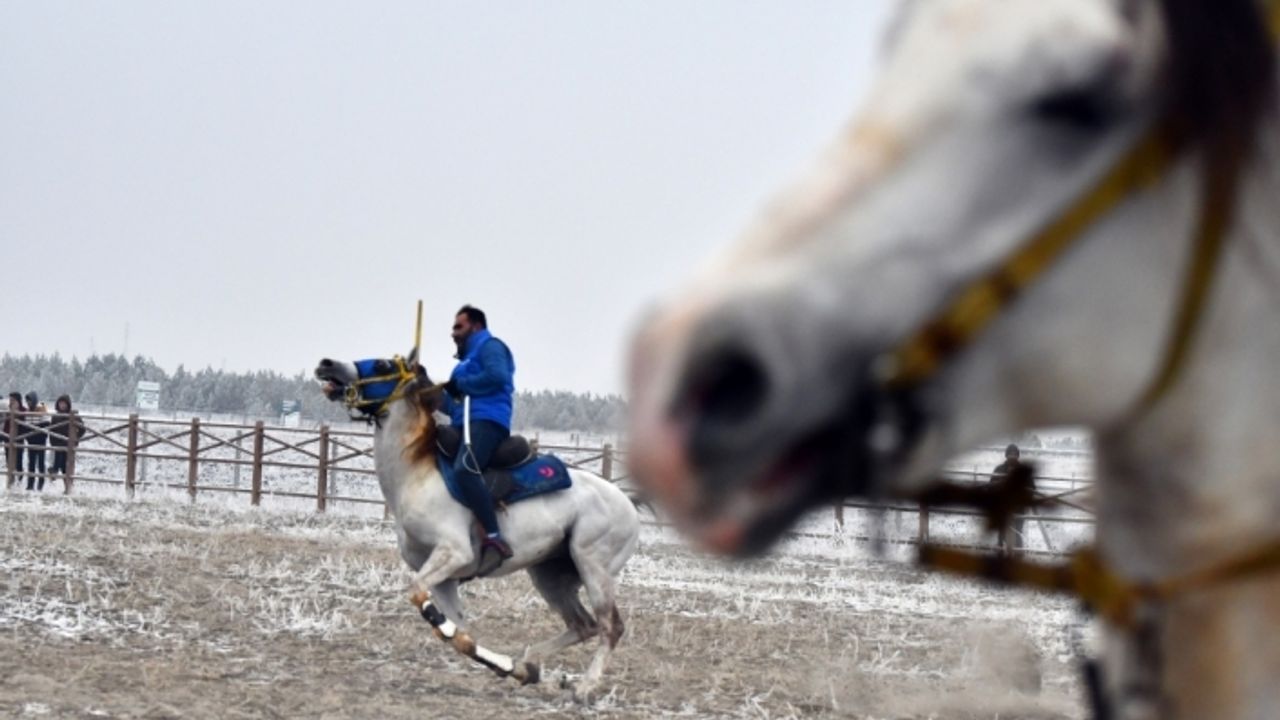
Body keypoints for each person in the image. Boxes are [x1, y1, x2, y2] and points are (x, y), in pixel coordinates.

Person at [439, 304, 517, 573]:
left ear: (476, 326)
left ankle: (494, 537)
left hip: (487, 421)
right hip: (463, 423)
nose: (453, 333)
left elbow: (498, 377)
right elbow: (450, 404)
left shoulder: (491, 347)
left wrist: (461, 386)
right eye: (453, 328)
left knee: (465, 468)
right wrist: (424, 386)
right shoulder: (462, 366)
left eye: (458, 327)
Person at [991, 443, 1026, 554]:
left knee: (1018, 533)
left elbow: (1031, 487)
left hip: (1019, 507)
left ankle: (1019, 556)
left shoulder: (1024, 471)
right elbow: (991, 485)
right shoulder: (999, 469)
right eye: (1010, 454)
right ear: (1006, 455)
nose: (1012, 456)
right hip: (1003, 506)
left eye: (1014, 454)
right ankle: (1000, 555)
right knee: (1001, 532)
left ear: (1018, 455)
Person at [48, 394, 84, 487]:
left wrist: (76, 438)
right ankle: (54, 473)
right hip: (58, 444)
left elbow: (82, 428)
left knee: (66, 466)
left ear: (68, 404)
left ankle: (67, 486)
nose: (62, 405)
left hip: (68, 445)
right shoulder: (55, 416)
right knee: (59, 461)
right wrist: (52, 442)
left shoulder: (73, 415)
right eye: (60, 403)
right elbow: (51, 430)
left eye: (64, 403)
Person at [22, 392, 49, 491]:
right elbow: (26, 425)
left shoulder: (42, 410)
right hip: (31, 441)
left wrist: (36, 432)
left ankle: (40, 484)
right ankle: (30, 484)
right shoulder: (28, 411)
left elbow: (46, 425)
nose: (28, 403)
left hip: (40, 440)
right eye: (27, 401)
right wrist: (28, 437)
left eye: (30, 400)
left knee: (41, 463)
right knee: (31, 462)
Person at [2, 392, 25, 486]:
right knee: (9, 461)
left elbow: (24, 423)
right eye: (10, 400)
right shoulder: (7, 410)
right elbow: (5, 424)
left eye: (13, 400)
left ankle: (19, 481)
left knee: (18, 461)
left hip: (19, 439)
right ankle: (10, 482)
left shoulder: (24, 410)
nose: (11, 402)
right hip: (8, 438)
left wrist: (17, 413)